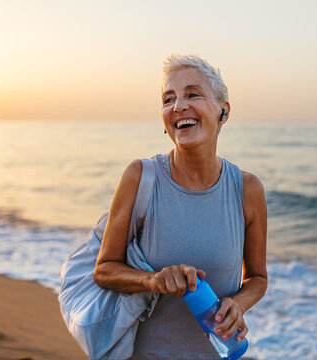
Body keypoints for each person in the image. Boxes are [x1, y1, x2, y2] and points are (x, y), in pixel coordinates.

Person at [94, 54, 267, 359]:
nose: (178, 106)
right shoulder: (140, 177)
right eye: (168, 99)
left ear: (223, 111)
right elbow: (104, 270)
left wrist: (238, 304)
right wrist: (152, 280)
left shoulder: (247, 189)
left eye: (192, 94)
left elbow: (257, 278)